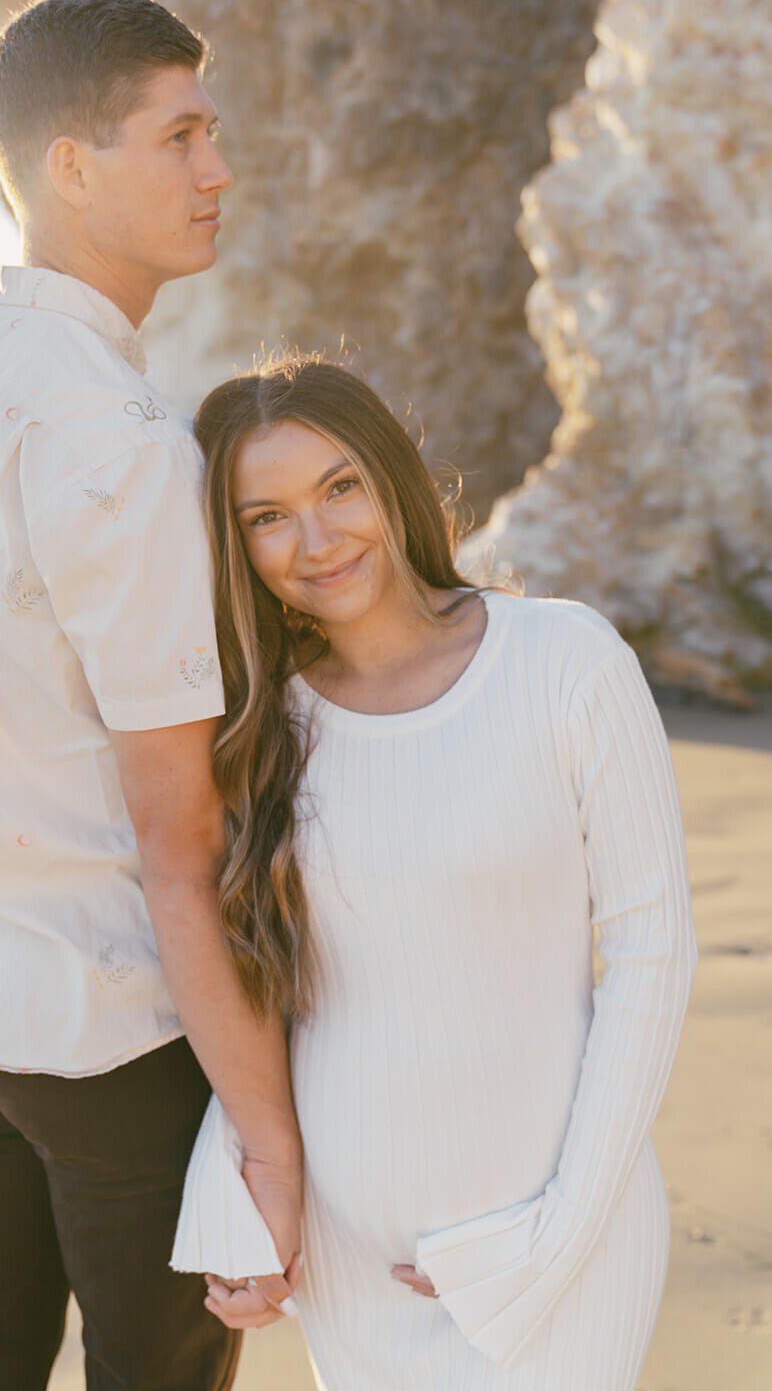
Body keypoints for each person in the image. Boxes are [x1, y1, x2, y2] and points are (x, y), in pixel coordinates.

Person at [0, 0, 301, 1391]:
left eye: (211, 133)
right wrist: (269, 1135)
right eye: (179, 135)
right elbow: (176, 829)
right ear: (70, 165)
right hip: (102, 1022)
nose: (217, 170)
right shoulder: (114, 435)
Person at [169, 357, 698, 1390]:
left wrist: (556, 1237)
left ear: (389, 478)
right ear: (237, 548)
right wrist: (227, 1193)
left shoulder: (564, 660)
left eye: (338, 488)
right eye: (266, 516)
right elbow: (260, 986)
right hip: (351, 1254)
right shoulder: (261, 728)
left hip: (562, 1237)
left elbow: (651, 952)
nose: (316, 541)